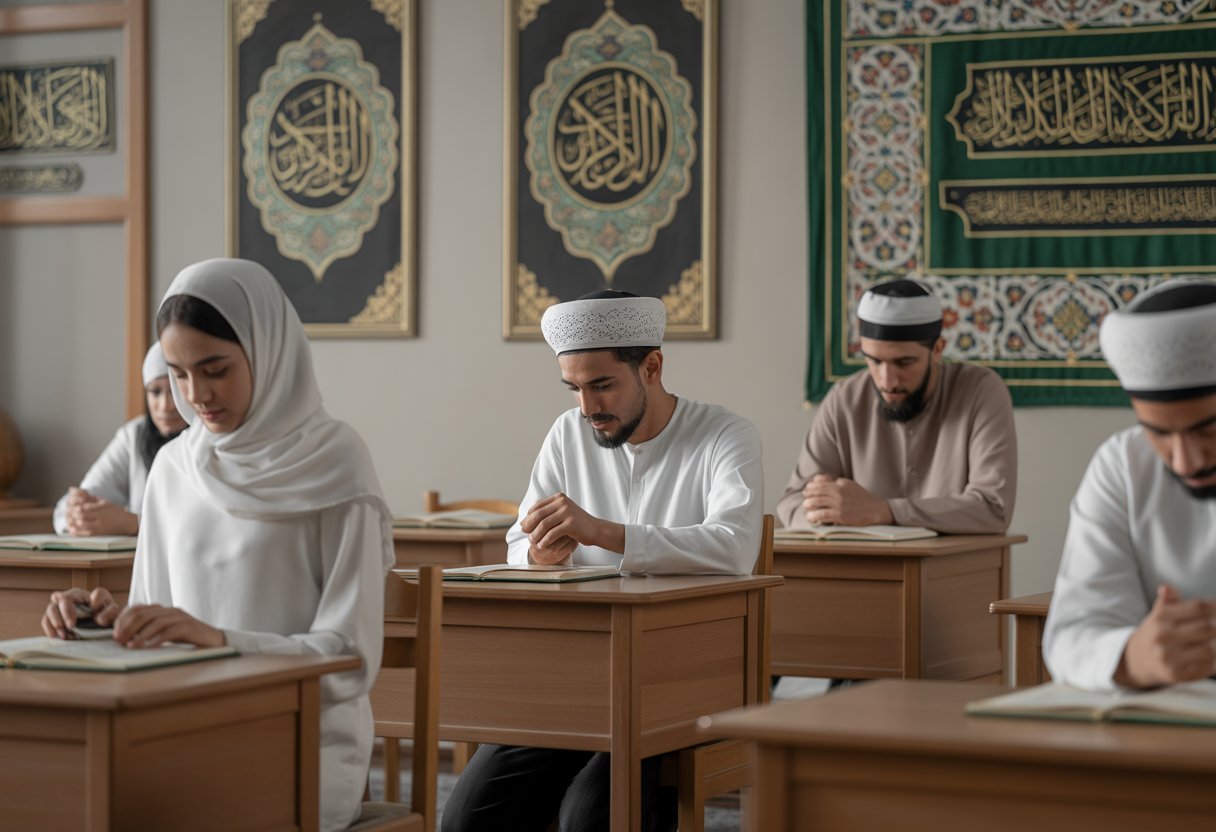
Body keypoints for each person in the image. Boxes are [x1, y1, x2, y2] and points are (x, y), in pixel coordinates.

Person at [41, 258, 394, 832]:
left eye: (215, 369)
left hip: (303, 743)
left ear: (268, 350)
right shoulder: (174, 467)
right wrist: (106, 622)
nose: (195, 395)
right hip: (179, 726)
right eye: (179, 374)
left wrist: (221, 642)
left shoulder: (335, 461)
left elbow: (349, 656)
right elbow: (151, 628)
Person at [442, 290, 764, 832]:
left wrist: (605, 533)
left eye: (602, 385)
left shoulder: (724, 435)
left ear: (653, 367)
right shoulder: (568, 434)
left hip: (681, 678)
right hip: (573, 677)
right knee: (468, 817)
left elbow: (733, 547)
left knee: (591, 816)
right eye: (574, 389)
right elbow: (517, 545)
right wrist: (541, 555)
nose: (588, 408)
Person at [1043, 279, 1216, 691]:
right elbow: (1073, 633)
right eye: (1158, 432)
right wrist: (1132, 657)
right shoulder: (1123, 465)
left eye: (1208, 429)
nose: (1185, 461)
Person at [777, 278, 1017, 533]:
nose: (886, 381)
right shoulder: (844, 399)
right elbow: (792, 503)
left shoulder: (981, 391)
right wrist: (826, 507)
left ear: (937, 349)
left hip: (955, 570)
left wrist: (884, 511)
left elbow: (993, 508)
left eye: (904, 363)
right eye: (874, 361)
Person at [52, 342, 188, 536]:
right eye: (155, 392)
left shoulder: (210, 439)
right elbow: (66, 509)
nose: (165, 406)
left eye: (174, 391)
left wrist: (132, 523)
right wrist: (77, 512)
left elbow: (203, 529)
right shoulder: (134, 435)